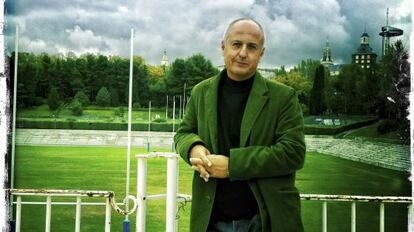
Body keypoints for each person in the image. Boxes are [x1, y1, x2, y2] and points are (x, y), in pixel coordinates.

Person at [174, 18, 306, 232]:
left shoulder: (284, 96)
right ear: (223, 46)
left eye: (252, 47)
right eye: (236, 44)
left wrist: (231, 167)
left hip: (265, 219)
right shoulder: (201, 91)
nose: (243, 53)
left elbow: (294, 153)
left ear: (261, 53)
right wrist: (193, 146)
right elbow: (183, 133)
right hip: (211, 220)